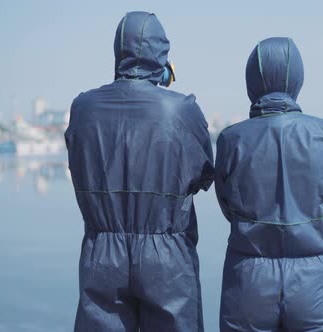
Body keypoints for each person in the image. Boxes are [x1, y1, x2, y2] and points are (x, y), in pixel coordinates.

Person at [65, 11, 213, 332]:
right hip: (167, 256)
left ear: (118, 52)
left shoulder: (83, 107)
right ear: (162, 55)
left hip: (101, 253)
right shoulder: (182, 109)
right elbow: (203, 176)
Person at [215, 37, 323, 331]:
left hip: (248, 279)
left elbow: (228, 206)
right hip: (316, 280)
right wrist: (313, 211)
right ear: (297, 78)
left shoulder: (231, 139)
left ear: (251, 79)